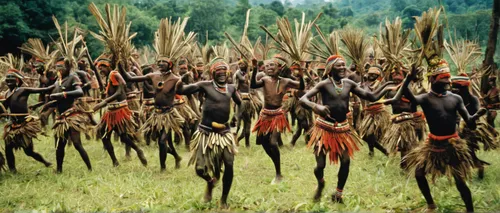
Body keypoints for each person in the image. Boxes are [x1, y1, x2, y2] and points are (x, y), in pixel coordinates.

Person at [299, 55, 396, 203]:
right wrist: (316, 107)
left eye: (344, 65)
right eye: (339, 65)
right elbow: (303, 99)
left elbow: (371, 97)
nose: (343, 67)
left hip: (342, 129)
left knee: (345, 162)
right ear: (330, 68)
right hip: (324, 129)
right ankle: (320, 183)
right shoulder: (324, 84)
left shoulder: (349, 83)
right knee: (320, 165)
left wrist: (387, 86)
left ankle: (338, 194)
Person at [400, 60, 486, 212]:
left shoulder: (455, 98)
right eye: (443, 77)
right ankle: (431, 205)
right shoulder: (425, 98)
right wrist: (407, 78)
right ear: (432, 79)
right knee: (419, 174)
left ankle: (470, 210)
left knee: (460, 182)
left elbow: (470, 123)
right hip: (432, 145)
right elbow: (409, 97)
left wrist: (474, 117)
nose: (448, 80)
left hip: (453, 145)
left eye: (448, 77)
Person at [177, 57, 241, 209]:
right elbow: (180, 90)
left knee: (229, 164)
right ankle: (210, 182)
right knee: (200, 169)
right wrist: (182, 77)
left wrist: (236, 117)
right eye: (218, 71)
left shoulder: (231, 88)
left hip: (224, 133)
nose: (221, 74)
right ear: (212, 73)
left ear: (228, 73)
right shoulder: (204, 85)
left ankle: (224, 199)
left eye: (224, 71)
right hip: (205, 134)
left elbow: (241, 103)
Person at [119, 57, 184, 171]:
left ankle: (163, 168)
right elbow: (129, 78)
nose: (161, 64)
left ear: (170, 64)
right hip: (155, 114)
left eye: (164, 62)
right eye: (159, 62)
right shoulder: (153, 76)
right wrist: (119, 65)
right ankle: (177, 156)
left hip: (168, 114)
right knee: (162, 142)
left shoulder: (176, 79)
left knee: (162, 141)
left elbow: (184, 90)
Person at [250, 57, 304, 184]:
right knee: (263, 142)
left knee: (273, 143)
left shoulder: (285, 81)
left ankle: (278, 173)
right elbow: (253, 85)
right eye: (267, 66)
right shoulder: (264, 80)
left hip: (277, 116)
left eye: (272, 65)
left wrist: (301, 75)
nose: (269, 68)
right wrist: (253, 69)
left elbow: (301, 87)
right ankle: (275, 161)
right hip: (264, 115)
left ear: (279, 68)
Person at [93, 58, 148, 168]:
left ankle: (137, 150)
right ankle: (115, 161)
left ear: (109, 66)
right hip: (110, 111)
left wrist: (103, 102)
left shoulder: (114, 74)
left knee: (122, 136)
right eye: (99, 68)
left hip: (119, 111)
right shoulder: (108, 78)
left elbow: (120, 91)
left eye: (103, 67)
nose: (101, 69)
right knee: (104, 135)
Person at [0, 69, 52, 173]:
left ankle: (45, 162)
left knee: (29, 152)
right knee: (8, 148)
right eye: (8, 79)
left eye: (12, 79)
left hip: (24, 125)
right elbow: (3, 109)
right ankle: (12, 170)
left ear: (17, 81)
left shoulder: (23, 90)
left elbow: (44, 89)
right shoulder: (6, 94)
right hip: (13, 125)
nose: (9, 81)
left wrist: (57, 87)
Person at [451, 74, 498, 179]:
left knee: (468, 152)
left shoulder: (473, 99)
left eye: (457, 88)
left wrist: (464, 123)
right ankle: (468, 170)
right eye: (453, 88)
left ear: (465, 88)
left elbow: (476, 117)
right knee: (460, 154)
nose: (455, 91)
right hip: (455, 129)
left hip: (470, 130)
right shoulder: (452, 98)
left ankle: (476, 168)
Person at [381, 68, 426, 169]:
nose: (396, 81)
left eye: (399, 79)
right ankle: (406, 164)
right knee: (403, 145)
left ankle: (408, 165)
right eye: (395, 78)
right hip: (397, 119)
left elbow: (415, 102)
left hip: (409, 120)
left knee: (407, 144)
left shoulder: (411, 87)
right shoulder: (390, 89)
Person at [359, 65, 390, 157]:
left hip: (378, 112)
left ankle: (374, 152)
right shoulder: (363, 84)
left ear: (378, 76)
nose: (372, 76)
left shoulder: (379, 84)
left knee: (370, 134)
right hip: (367, 111)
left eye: (375, 74)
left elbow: (373, 95)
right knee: (364, 135)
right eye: (370, 74)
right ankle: (381, 150)